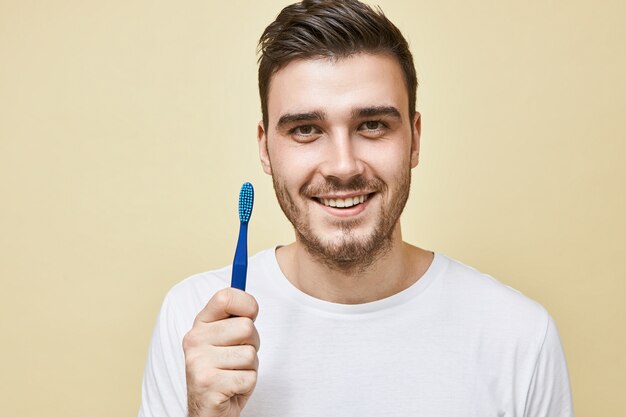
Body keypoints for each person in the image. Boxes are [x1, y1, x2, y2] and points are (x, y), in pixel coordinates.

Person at [139, 1, 574, 416]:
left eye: (372, 125)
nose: (343, 166)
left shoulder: (519, 337)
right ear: (265, 148)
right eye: (306, 129)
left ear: (415, 138)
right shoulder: (193, 321)